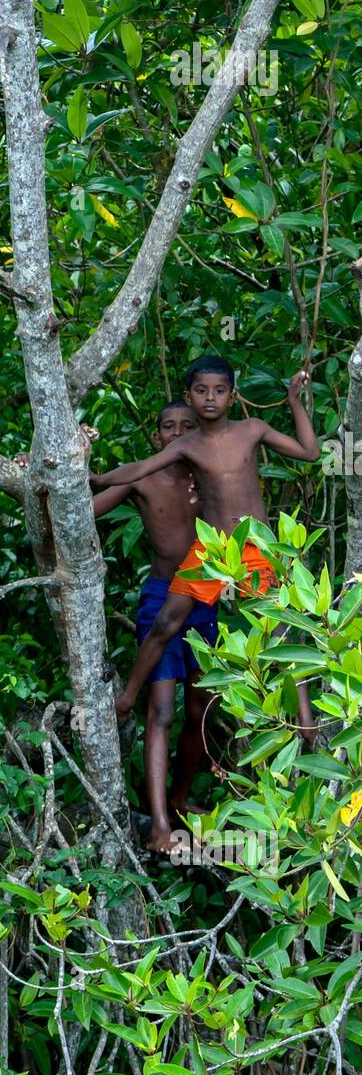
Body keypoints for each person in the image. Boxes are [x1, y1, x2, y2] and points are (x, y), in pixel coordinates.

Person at [90, 355, 320, 743]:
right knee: (166, 621)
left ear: (233, 395)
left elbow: (310, 453)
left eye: (218, 390)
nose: (210, 398)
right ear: (189, 396)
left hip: (256, 546)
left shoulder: (252, 429)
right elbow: (140, 469)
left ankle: (306, 723)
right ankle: (126, 699)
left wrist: (294, 401)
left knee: (278, 631)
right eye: (201, 391)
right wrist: (94, 477)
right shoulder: (188, 445)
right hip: (212, 548)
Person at [93, 401, 217, 852]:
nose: (179, 433)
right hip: (162, 597)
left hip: (204, 599)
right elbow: (85, 504)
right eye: (169, 426)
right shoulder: (142, 477)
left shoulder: (208, 475)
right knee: (161, 710)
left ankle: (181, 800)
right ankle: (161, 826)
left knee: (201, 709)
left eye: (188, 426)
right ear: (157, 437)